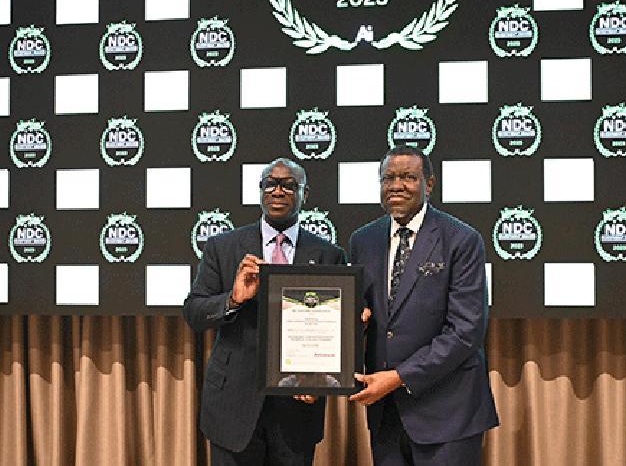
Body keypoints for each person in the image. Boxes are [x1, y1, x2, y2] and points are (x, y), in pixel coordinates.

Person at [183, 158, 346, 465]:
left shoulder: (329, 254)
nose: (277, 191)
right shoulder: (223, 247)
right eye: (270, 184)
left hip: (297, 409)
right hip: (232, 406)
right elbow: (193, 312)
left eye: (288, 185)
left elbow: (336, 330)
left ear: (305, 194)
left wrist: (319, 379)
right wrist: (233, 299)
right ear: (260, 191)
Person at [349, 146, 498, 465]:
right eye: (388, 178)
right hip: (386, 415)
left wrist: (399, 376)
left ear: (429, 184)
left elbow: (465, 332)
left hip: (448, 413)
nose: (396, 186)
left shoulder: (461, 239)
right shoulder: (363, 240)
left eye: (407, 177)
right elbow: (360, 312)